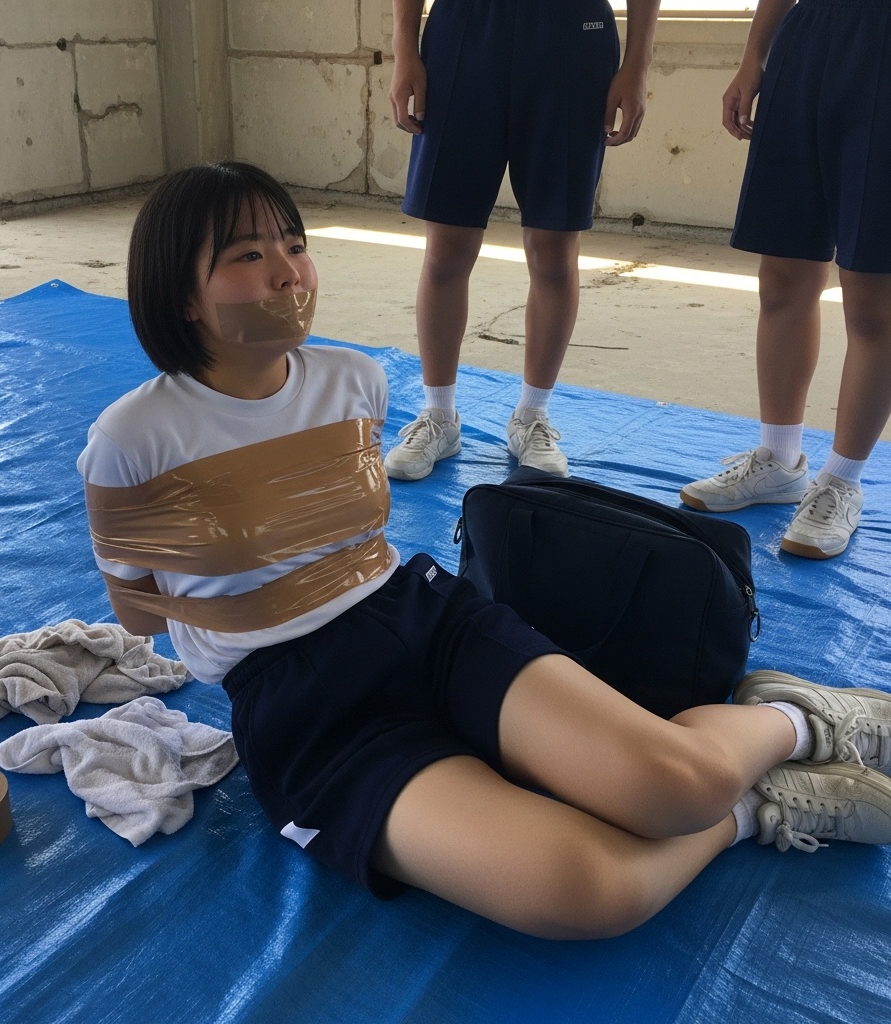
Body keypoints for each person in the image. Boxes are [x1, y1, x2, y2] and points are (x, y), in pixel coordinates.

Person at [78, 162, 891, 940]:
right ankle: (759, 810)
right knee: (590, 892)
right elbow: (141, 616)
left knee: (684, 786)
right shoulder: (132, 439)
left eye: (294, 244)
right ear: (180, 295)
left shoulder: (354, 381)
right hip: (303, 705)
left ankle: (800, 720)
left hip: (420, 620)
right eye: (248, 256)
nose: (288, 272)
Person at [383, 0, 661, 481]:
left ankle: (532, 415)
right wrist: (404, 47)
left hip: (572, 33)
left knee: (553, 253)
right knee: (447, 250)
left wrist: (637, 64)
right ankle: (439, 415)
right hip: (464, 33)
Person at [680, 0, 891, 559]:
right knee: (781, 276)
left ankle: (842, 480)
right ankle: (778, 460)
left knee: (872, 297)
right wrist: (754, 57)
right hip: (808, 40)